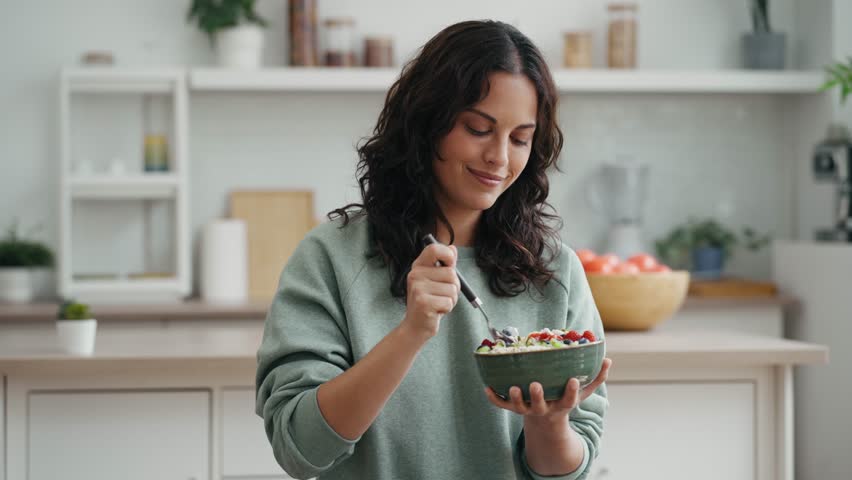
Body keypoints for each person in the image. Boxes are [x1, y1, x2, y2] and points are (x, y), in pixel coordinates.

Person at [255, 19, 612, 480]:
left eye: (520, 138)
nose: (500, 158)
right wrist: (411, 332)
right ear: (427, 123)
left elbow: (569, 469)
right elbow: (300, 448)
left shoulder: (553, 270)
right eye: (479, 129)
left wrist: (549, 424)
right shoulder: (331, 258)